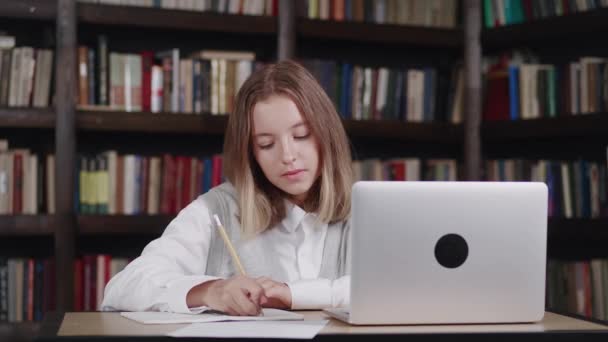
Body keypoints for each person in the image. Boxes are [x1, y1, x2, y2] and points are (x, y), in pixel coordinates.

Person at [101, 60, 353, 316]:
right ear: (251, 153)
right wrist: (209, 291)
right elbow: (123, 287)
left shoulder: (365, 210)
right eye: (266, 144)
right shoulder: (217, 211)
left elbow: (392, 289)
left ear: (326, 135)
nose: (288, 155)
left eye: (301, 135)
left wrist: (293, 295)